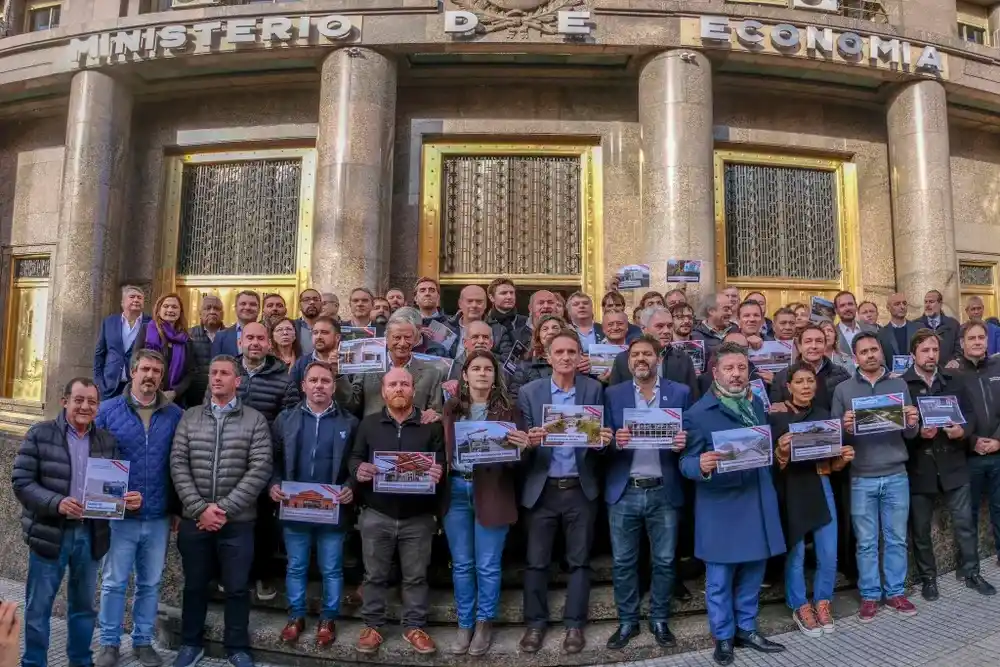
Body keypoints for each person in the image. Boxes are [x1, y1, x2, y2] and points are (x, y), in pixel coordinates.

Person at [13, 378, 142, 667]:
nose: (85, 406)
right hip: (50, 534)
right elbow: (21, 482)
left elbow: (113, 492)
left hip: (89, 535)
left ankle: (81, 661)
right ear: (65, 402)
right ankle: (33, 662)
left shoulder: (106, 441)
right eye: (79, 400)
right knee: (38, 607)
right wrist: (56, 503)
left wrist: (128, 502)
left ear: (98, 407)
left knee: (83, 608)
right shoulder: (40, 434)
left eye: (92, 402)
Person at [680, 343, 786, 666]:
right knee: (719, 579)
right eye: (729, 368)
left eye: (742, 368)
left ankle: (747, 629)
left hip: (757, 498)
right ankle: (723, 636)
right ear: (716, 373)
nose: (737, 374)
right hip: (721, 506)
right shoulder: (698, 413)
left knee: (754, 571)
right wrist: (700, 465)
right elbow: (685, 463)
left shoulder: (756, 404)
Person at [170, 355, 273, 667]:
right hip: (195, 520)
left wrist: (224, 508)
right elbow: (178, 463)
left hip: (238, 522)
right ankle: (190, 643)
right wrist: (200, 509)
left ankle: (237, 646)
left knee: (237, 588)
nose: (216, 378)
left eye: (224, 373)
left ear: (237, 381)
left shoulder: (254, 420)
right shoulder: (190, 417)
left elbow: (260, 468)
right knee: (194, 585)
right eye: (213, 372)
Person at [517, 331, 611, 655]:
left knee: (579, 562)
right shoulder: (529, 392)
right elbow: (521, 447)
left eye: (572, 351)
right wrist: (529, 442)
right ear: (548, 356)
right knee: (536, 562)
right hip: (542, 490)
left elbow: (599, 443)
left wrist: (602, 442)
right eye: (559, 352)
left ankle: (575, 625)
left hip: (579, 488)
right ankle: (535, 625)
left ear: (580, 356)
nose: (566, 357)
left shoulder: (593, 389)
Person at [94, 350, 184, 667]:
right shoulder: (107, 411)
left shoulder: (175, 414)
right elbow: (94, 459)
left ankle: (143, 641)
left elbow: (178, 465)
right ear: (132, 372)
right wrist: (111, 500)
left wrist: (176, 508)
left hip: (158, 515)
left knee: (150, 583)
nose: (150, 375)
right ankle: (109, 642)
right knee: (114, 581)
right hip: (120, 515)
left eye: (156, 371)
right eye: (145, 369)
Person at [349, 367, 446, 655]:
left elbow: (441, 460)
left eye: (404, 383)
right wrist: (358, 469)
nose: (399, 388)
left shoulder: (431, 426)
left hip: (418, 516)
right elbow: (354, 457)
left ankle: (414, 627)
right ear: (383, 391)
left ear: (414, 390)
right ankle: (373, 626)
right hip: (376, 513)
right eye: (393, 384)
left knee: (416, 577)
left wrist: (439, 470)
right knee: (374, 575)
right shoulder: (368, 424)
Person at [604, 335, 691, 650]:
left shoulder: (679, 392)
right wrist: (614, 441)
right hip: (624, 490)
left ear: (658, 359)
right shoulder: (612, 394)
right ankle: (627, 621)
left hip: (664, 490)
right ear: (628, 361)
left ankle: (659, 619)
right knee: (623, 562)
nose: (641, 359)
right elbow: (599, 441)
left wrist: (684, 443)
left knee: (665, 561)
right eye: (636, 354)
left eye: (648, 354)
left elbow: (692, 436)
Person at [442, 351, 528, 656]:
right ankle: (464, 623)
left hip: (493, 489)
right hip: (456, 489)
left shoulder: (510, 410)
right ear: (465, 375)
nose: (482, 373)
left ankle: (483, 623)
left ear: (495, 376)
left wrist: (522, 448)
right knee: (462, 564)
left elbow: (517, 464)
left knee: (488, 565)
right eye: (476, 368)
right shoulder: (451, 409)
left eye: (487, 369)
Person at [831, 332, 920, 622]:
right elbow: (835, 438)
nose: (870, 355)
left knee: (896, 539)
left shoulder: (899, 384)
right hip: (861, 477)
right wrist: (844, 427)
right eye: (864, 351)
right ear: (855, 357)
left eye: (874, 349)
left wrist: (912, 421)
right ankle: (870, 595)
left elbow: (910, 434)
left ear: (881, 351)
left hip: (896, 473)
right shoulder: (843, 390)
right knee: (866, 542)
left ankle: (895, 592)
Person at [270, 361, 359, 647]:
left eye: (325, 380)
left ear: (334, 386)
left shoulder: (350, 423)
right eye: (313, 380)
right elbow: (272, 459)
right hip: (294, 508)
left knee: (331, 568)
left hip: (332, 511)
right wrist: (273, 483)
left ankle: (328, 619)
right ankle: (295, 617)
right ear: (303, 385)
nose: (319, 385)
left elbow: (357, 462)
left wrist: (351, 486)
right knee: (296, 566)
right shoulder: (285, 419)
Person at [902, 329, 995, 600]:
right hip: (921, 467)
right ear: (913, 354)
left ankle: (972, 572)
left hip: (953, 463)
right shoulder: (903, 385)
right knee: (921, 529)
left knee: (965, 522)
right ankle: (928, 578)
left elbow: (970, 414)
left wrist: (962, 431)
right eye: (925, 351)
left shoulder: (953, 378)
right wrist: (917, 432)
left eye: (935, 350)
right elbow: (900, 427)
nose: (931, 355)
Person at [770, 363, 854, 638]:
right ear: (789, 386)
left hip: (820, 482)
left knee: (828, 551)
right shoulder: (776, 417)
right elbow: (771, 464)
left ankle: (823, 601)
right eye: (799, 381)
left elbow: (832, 464)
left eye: (810, 381)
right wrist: (781, 452)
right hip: (791, 487)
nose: (805, 386)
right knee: (795, 553)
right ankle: (799, 605)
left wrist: (842, 458)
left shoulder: (823, 416)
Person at [949, 321, 1000, 563]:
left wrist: (998, 440)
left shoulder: (998, 367)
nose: (978, 342)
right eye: (972, 338)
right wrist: (972, 441)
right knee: (967, 513)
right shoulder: (953, 374)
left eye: (981, 337)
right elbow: (952, 416)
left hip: (998, 452)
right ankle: (968, 564)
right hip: (969, 455)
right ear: (962, 343)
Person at [341, 312, 447, 418]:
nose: (402, 343)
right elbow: (351, 405)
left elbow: (436, 412)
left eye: (407, 337)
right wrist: (338, 376)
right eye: (397, 337)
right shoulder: (367, 367)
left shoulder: (431, 373)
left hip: (414, 427)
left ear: (415, 340)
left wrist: (434, 416)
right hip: (374, 427)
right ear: (386, 339)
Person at [609, 306, 698, 397]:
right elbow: (614, 398)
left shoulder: (684, 359)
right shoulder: (623, 360)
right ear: (644, 329)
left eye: (670, 326)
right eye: (659, 326)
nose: (667, 331)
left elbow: (693, 398)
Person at [769, 324, 850, 411]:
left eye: (819, 341)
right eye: (808, 341)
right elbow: (775, 409)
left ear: (825, 346)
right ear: (800, 346)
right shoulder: (782, 376)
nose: (813, 346)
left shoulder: (841, 374)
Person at [95, 285, 151, 400]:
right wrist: (99, 382)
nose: (136, 300)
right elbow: (99, 354)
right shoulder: (109, 322)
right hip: (109, 386)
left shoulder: (151, 324)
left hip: (138, 386)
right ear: (122, 302)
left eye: (139, 298)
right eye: (132, 297)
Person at [138, 292, 194, 405]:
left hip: (174, 400)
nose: (170, 310)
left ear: (180, 312)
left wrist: (175, 392)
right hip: (146, 394)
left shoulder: (186, 339)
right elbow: (135, 361)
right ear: (158, 310)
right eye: (166, 306)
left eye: (174, 307)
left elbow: (190, 372)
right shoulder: (146, 330)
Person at [284, 316, 341, 407]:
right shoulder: (301, 363)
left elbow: (352, 403)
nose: (318, 337)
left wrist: (339, 375)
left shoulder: (348, 363)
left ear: (337, 337)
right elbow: (291, 397)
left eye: (324, 332)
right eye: (315, 333)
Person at [508, 314, 565, 402]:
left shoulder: (574, 362)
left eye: (555, 328)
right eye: (545, 329)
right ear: (538, 336)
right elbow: (515, 397)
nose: (551, 332)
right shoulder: (524, 366)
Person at [188, 295, 224, 408]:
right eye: (207, 308)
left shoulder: (230, 336)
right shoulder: (189, 335)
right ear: (200, 313)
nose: (212, 312)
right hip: (193, 398)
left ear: (222, 314)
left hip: (223, 398)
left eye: (216, 308)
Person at [212, 290, 262, 358]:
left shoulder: (267, 335)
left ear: (259, 309)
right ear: (235, 308)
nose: (247, 307)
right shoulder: (220, 337)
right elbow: (215, 363)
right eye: (243, 304)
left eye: (252, 304)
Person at [915, 289, 961, 362]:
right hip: (925, 366)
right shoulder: (916, 325)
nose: (927, 305)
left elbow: (959, 349)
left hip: (948, 367)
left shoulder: (953, 324)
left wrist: (955, 361)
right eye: (926, 302)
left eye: (931, 302)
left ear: (940, 304)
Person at [878, 293, 920, 364]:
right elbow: (881, 359)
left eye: (904, 303)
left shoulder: (917, 329)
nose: (902, 307)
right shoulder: (882, 333)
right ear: (888, 308)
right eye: (897, 304)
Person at [485, 277, 527, 343]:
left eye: (511, 293)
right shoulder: (484, 324)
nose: (509, 297)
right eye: (503, 293)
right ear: (491, 297)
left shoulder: (527, 322)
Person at [693, 292, 733, 361]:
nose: (730, 313)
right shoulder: (695, 335)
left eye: (730, 309)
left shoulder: (736, 330)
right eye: (726, 309)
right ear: (711, 311)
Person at [293, 289, 322, 355]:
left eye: (315, 299)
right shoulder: (292, 326)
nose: (312, 302)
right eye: (306, 299)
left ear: (321, 304)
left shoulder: (329, 326)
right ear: (299, 306)